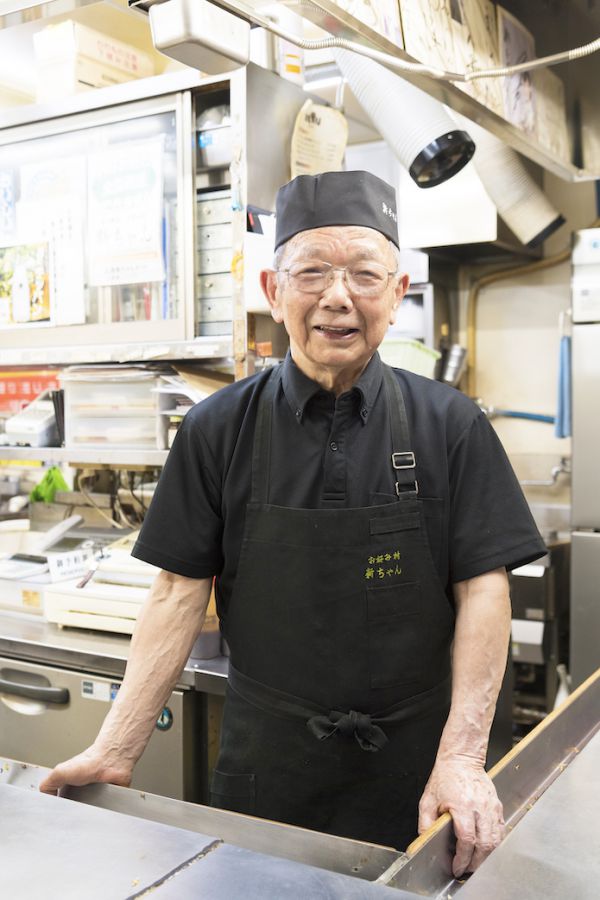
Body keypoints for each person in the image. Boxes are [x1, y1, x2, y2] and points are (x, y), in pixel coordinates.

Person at [40, 171, 546, 877]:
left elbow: (484, 590)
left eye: (365, 275)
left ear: (396, 297)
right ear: (275, 292)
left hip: (418, 767)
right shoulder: (216, 429)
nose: (338, 297)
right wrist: (117, 748)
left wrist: (462, 757)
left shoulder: (450, 425)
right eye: (311, 272)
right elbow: (177, 594)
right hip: (268, 765)